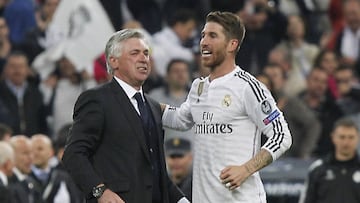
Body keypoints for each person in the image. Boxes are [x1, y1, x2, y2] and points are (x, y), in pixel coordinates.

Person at [161, 11, 292, 202]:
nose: (204, 42)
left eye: (213, 36)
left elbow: (282, 136)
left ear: (232, 44)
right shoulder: (198, 87)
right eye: (203, 35)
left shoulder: (248, 87)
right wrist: (139, 101)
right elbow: (180, 119)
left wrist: (246, 169)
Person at [62, 29, 188, 203]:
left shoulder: (152, 106)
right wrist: (100, 191)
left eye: (146, 53)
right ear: (114, 61)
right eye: (135, 53)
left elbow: (155, 170)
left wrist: (181, 200)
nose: (144, 59)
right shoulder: (97, 100)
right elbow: (73, 154)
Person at [300, 118, 360, 203]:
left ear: (358, 138)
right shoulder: (318, 169)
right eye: (342, 137)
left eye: (351, 137)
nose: (346, 142)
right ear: (333, 137)